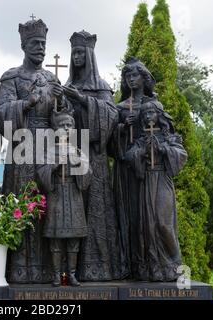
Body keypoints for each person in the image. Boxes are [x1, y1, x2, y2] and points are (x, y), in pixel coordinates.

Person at [0, 19, 68, 283]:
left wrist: (62, 102)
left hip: (48, 147)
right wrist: (25, 103)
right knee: (22, 202)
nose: (41, 49)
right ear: (24, 45)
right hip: (22, 145)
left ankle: (51, 269)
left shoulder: (52, 78)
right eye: (35, 44)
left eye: (43, 44)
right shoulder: (12, 77)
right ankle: (22, 268)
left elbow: (63, 119)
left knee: (50, 203)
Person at [63, 30, 128, 280]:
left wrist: (82, 100)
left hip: (95, 156)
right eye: (74, 53)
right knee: (72, 209)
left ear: (90, 55)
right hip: (72, 154)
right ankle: (70, 269)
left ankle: (99, 267)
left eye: (81, 52)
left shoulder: (101, 87)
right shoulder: (68, 85)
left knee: (97, 210)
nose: (77, 56)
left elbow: (111, 117)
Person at [124, 99, 187, 281]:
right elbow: (129, 156)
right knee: (148, 225)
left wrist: (163, 149)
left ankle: (175, 264)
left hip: (162, 180)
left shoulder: (169, 137)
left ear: (159, 115)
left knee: (163, 223)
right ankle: (153, 268)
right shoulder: (141, 138)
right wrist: (142, 152)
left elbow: (181, 155)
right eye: (144, 115)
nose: (148, 117)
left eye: (151, 113)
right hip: (146, 182)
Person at [110, 57, 158, 280]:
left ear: (143, 77)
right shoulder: (119, 107)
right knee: (127, 214)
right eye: (127, 76)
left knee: (147, 215)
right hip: (124, 168)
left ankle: (149, 263)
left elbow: (164, 133)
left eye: (135, 75)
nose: (131, 79)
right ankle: (127, 263)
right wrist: (121, 127)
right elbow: (109, 145)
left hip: (147, 169)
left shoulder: (153, 105)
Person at [36, 109, 91, 287]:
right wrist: (53, 166)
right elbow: (41, 172)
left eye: (69, 125)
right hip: (56, 194)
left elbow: (88, 174)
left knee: (74, 239)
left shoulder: (78, 150)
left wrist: (79, 165)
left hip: (74, 194)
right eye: (62, 125)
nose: (66, 128)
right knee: (56, 239)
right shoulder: (49, 151)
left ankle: (72, 275)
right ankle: (57, 275)